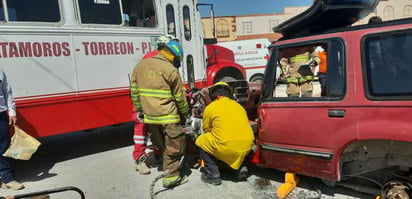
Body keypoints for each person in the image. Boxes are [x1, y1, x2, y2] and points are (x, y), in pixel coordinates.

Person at [130, 38, 190, 188]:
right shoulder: (170, 70)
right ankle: (172, 177)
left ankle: (166, 167)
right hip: (168, 116)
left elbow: (134, 93)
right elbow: (180, 98)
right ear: (174, 56)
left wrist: (140, 110)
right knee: (175, 146)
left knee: (161, 144)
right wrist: (187, 114)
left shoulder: (141, 65)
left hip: (150, 117)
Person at [131, 36, 176, 175]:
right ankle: (139, 159)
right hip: (145, 102)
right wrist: (139, 108)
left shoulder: (162, 58)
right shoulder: (152, 59)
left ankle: (159, 154)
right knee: (142, 128)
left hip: (154, 101)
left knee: (158, 128)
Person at [195, 82, 255, 186]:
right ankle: (240, 167)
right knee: (236, 141)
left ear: (216, 95)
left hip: (227, 146)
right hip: (247, 147)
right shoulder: (239, 107)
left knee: (201, 140)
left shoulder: (211, 107)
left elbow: (206, 129)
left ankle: (213, 174)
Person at [0, 68, 24, 190]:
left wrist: (12, 112)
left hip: (1, 114)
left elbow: (7, 92)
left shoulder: (0, 71)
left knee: (4, 146)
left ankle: (8, 179)